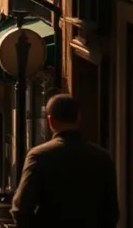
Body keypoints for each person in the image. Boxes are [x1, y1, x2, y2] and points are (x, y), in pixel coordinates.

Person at [11, 94, 119, 228]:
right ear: (78, 118)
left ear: (50, 121)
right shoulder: (102, 157)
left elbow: (21, 207)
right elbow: (112, 212)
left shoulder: (39, 156)